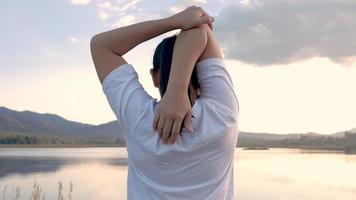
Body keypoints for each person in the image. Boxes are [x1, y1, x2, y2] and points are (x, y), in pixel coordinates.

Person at [90, 6, 239, 200]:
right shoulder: (223, 114)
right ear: (201, 71)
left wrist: (172, 22)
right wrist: (178, 89)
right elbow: (200, 28)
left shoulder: (138, 118)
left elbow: (101, 45)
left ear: (155, 76)